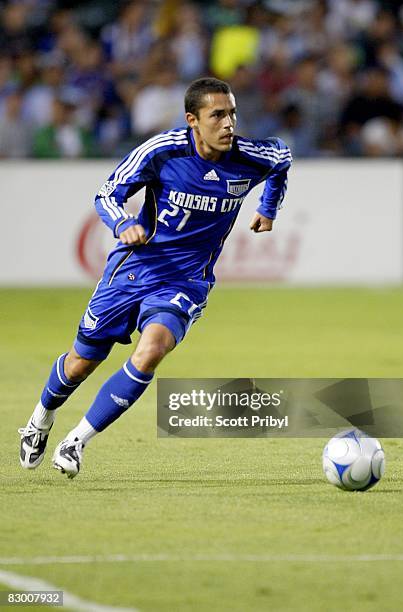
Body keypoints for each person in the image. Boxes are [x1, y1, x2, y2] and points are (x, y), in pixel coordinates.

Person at [19, 77, 292, 478]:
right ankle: (39, 421)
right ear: (192, 120)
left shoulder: (249, 156)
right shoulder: (162, 151)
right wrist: (121, 223)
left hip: (187, 281)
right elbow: (107, 193)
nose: (228, 123)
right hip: (135, 269)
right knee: (81, 363)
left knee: (151, 351)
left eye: (232, 113)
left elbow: (282, 159)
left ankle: (76, 441)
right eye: (217, 115)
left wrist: (269, 207)